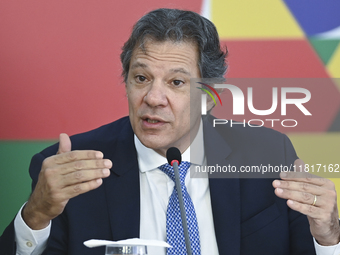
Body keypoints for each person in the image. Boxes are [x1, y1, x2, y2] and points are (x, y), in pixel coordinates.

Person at [0, 8, 339, 255]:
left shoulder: (267, 155)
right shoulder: (70, 169)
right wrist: (36, 216)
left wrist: (328, 236)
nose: (153, 98)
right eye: (141, 78)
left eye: (176, 82)